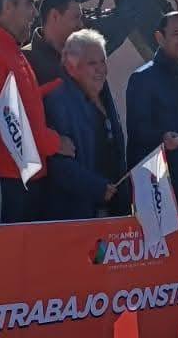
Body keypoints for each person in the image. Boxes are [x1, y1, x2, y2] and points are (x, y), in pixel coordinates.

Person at [0, 0, 73, 222]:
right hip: (12, 180)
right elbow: (8, 116)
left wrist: (54, 88)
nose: (34, 13)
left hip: (24, 176)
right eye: (30, 4)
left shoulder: (8, 47)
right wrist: (56, 143)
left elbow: (19, 99)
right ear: (8, 6)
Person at [42, 29, 127, 219]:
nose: (100, 69)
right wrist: (96, 187)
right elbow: (58, 165)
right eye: (91, 63)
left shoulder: (106, 96)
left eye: (102, 62)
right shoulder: (57, 102)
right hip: (77, 213)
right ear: (72, 67)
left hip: (113, 208)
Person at [125, 11, 178, 206]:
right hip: (156, 186)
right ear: (160, 38)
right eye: (177, 34)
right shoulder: (142, 79)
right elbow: (137, 130)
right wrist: (162, 138)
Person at [25, 0, 83, 87]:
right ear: (55, 16)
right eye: (76, 17)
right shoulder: (25, 62)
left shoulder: (81, 58)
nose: (81, 25)